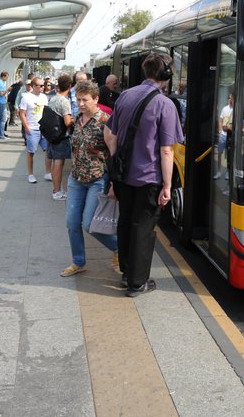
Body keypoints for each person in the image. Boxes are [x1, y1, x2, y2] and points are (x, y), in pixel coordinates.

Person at [104, 54, 183, 297]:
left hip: (123, 175)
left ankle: (127, 273)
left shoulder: (126, 96)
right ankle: (137, 283)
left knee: (126, 223)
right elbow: (167, 150)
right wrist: (168, 185)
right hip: (149, 177)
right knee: (143, 227)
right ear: (166, 75)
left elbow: (111, 134)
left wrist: (116, 166)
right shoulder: (165, 105)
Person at [61, 81, 119, 276]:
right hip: (76, 179)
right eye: (78, 99)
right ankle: (78, 261)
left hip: (97, 179)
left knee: (89, 225)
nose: (81, 103)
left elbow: (114, 154)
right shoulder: (77, 119)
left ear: (96, 99)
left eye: (85, 100)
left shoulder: (106, 121)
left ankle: (120, 248)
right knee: (71, 223)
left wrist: (113, 183)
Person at [47, 74, 74, 200]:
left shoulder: (53, 98)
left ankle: (56, 188)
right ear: (70, 86)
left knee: (54, 162)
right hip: (61, 136)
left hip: (52, 134)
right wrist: (74, 120)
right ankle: (57, 191)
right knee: (59, 163)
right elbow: (67, 122)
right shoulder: (65, 102)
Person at [18, 76, 49, 183]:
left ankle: (48, 173)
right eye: (40, 85)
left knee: (48, 151)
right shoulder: (26, 98)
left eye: (43, 85)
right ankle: (30, 174)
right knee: (31, 152)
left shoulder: (44, 97)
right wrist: (26, 127)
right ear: (33, 86)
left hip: (44, 129)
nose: (42, 87)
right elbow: (22, 113)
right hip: (32, 128)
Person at [215, 92, 234, 179]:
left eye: (231, 98)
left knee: (229, 154)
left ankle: (228, 172)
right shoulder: (224, 109)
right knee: (220, 152)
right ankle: (219, 171)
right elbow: (220, 120)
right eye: (229, 98)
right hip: (223, 134)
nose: (230, 100)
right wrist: (219, 131)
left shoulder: (236, 109)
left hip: (230, 135)